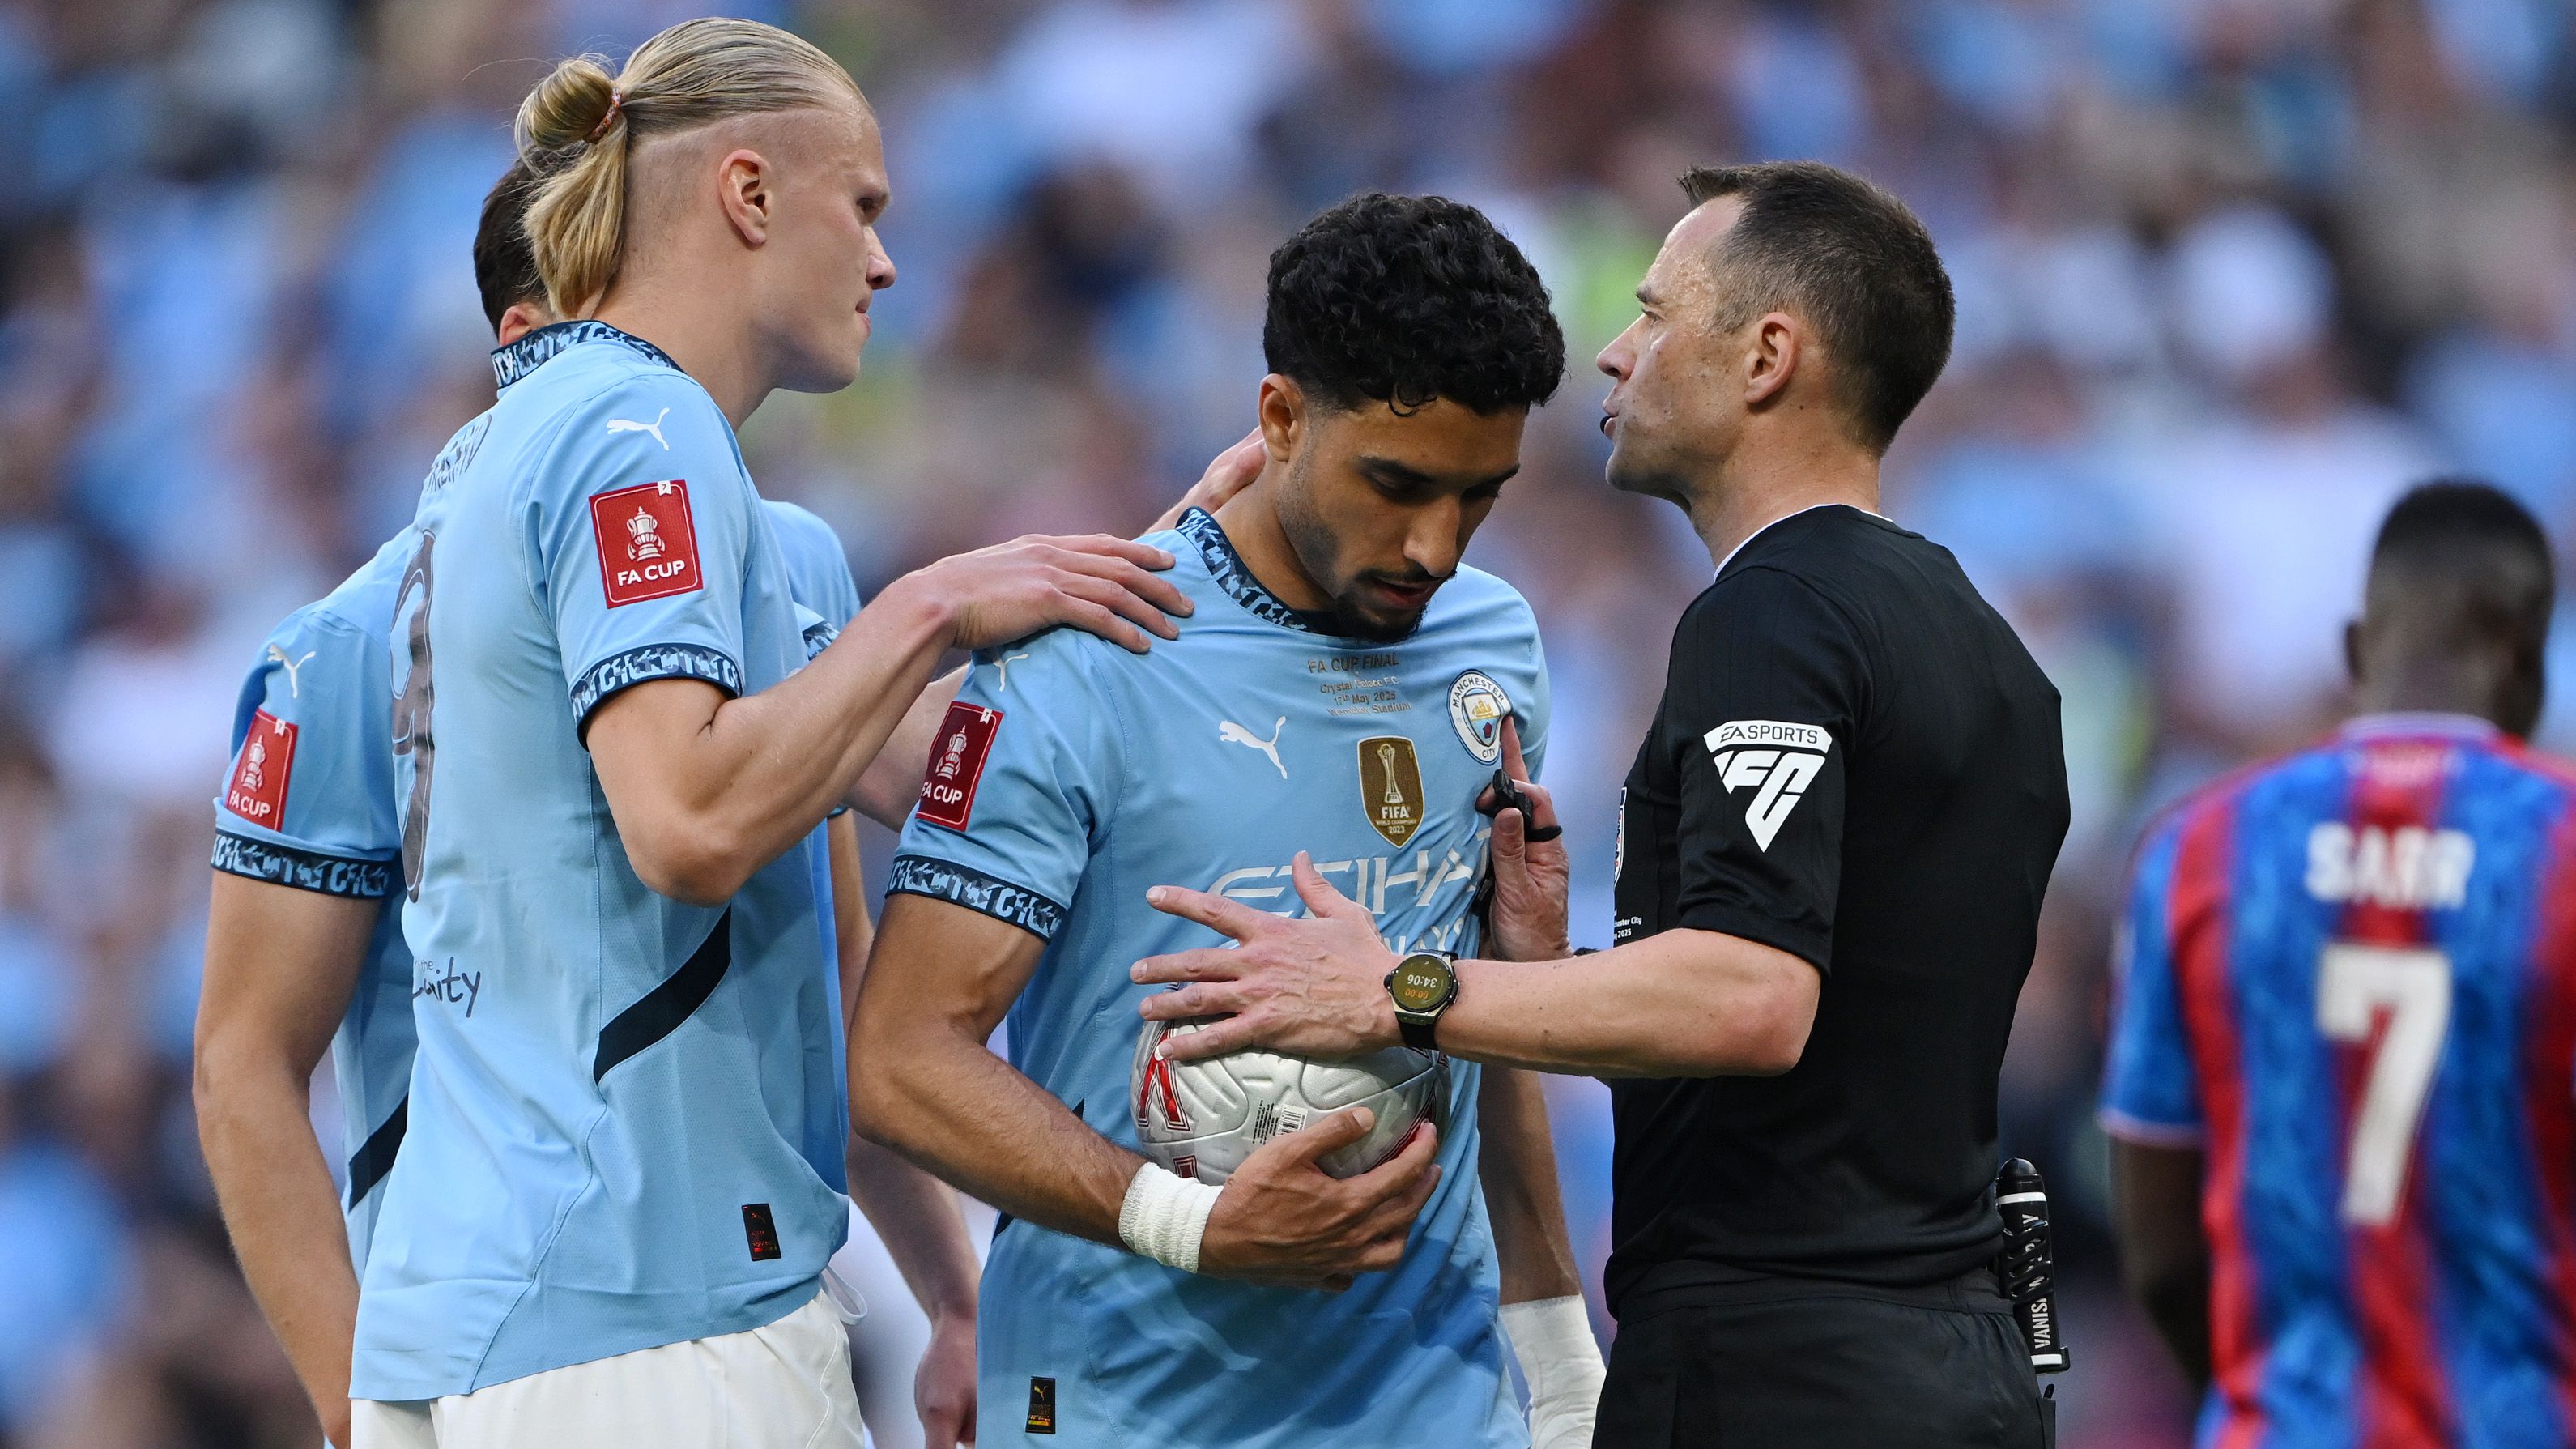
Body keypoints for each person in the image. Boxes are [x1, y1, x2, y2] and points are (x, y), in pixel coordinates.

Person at [1132, 160, 2068, 1448]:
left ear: (1766, 357)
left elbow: (1752, 999)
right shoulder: (1984, 643)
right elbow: (1846, 1023)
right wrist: (1548, 972)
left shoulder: (1773, 615)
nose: (1617, 354)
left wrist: (1398, 988)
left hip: (1785, 1369)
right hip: (1959, 1351)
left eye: (1654, 312)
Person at [348, 22, 1191, 1448]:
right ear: (747, 194)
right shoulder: (639, 424)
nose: (885, 261)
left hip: (489, 1299)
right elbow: (688, 822)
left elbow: (918, 774)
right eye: (860, 204)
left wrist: (1193, 581)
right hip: (645, 1298)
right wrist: (931, 602)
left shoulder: (496, 451)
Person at [850, 192, 1603, 1448]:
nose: (1434, 546)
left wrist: (1561, 1360)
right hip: (1123, 1406)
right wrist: (1192, 1223)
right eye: (1397, 484)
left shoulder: (1493, 644)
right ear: (1280, 417)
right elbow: (902, 1061)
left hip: (1432, 1400)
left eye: (1479, 496)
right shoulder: (1082, 658)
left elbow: (1472, 1018)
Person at [481, 157, 992, 1447]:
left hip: (741, 1286)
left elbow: (908, 850)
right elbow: (691, 831)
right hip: (588, 1308)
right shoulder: (370, 632)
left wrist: (952, 1291)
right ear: (528, 342)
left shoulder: (791, 558)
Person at [2103, 480, 2576, 1447]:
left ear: (2357, 649)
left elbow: (2159, 1252)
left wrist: (2256, 1400)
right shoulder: (2562, 847)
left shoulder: (2197, 851)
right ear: (2528, 660)